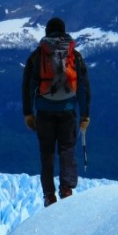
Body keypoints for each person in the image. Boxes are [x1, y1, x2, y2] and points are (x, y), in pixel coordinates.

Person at [21, 17, 91, 206]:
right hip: (68, 111)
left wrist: (28, 113)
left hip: (44, 112)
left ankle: (49, 195)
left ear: (47, 32)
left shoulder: (38, 55)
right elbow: (83, 88)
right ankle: (66, 190)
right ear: (64, 31)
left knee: (47, 152)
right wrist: (85, 115)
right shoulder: (74, 56)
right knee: (67, 149)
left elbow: (28, 85)